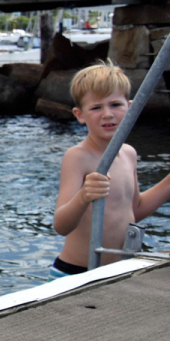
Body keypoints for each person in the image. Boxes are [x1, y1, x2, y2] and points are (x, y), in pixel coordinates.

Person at [51, 61, 170, 278]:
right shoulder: (77, 157)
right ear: (80, 114)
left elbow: (134, 211)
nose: (107, 114)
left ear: (130, 107)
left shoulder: (129, 153)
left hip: (115, 273)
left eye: (115, 104)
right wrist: (84, 196)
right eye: (96, 108)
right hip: (76, 273)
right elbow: (61, 225)